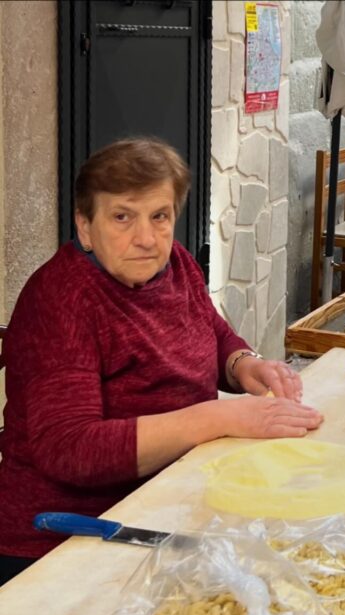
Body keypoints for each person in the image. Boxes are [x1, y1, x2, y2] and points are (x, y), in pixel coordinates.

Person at [0, 138, 323, 585]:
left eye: (160, 216)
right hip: (67, 540)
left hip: (167, 499)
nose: (146, 238)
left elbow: (211, 331)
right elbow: (69, 449)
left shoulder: (175, 265)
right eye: (122, 217)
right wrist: (216, 418)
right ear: (85, 226)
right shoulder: (62, 300)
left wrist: (243, 364)